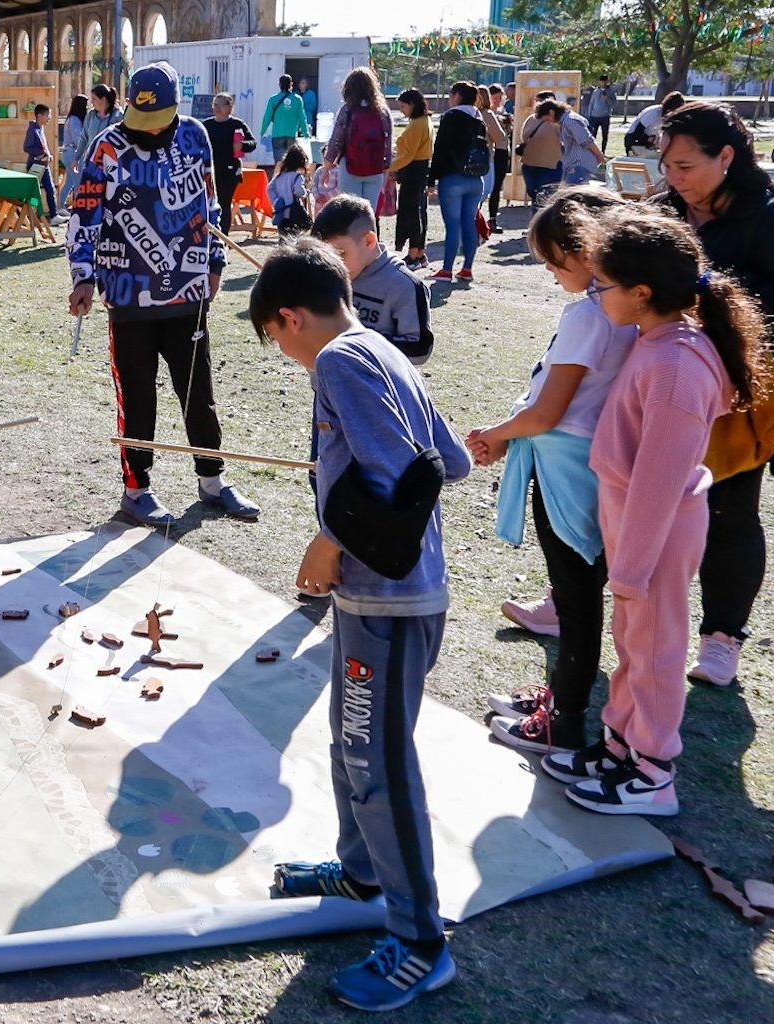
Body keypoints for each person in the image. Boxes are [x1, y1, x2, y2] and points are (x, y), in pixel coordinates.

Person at [249, 237, 469, 1011]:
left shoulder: (340, 362)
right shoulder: (379, 346)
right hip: (384, 597)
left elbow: (394, 472)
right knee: (353, 743)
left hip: (388, 599)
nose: (286, 357)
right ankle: (361, 872)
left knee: (378, 763)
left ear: (289, 317)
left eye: (277, 342)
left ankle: (419, 942)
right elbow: (451, 459)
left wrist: (328, 539)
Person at [541, 206, 768, 816]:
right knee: (634, 644)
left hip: (655, 535)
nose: (596, 293)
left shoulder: (674, 366)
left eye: (604, 284)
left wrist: (631, 569)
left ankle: (652, 770)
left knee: (656, 649)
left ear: (641, 294)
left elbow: (658, 485)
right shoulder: (657, 341)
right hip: (637, 531)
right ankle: (621, 745)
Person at [465, 186, 636, 755]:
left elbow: (548, 411)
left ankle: (563, 721)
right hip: (587, 461)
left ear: (584, 249)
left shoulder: (592, 314)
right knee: (577, 593)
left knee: (575, 599)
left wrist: (495, 434)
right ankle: (559, 696)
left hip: (566, 466)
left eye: (552, 259)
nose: (549, 271)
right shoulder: (626, 309)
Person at [658, 102, 774, 686]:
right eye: (667, 163)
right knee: (630, 494)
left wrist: (722, 298)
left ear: (725, 157)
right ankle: (570, 602)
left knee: (729, 513)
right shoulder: (666, 211)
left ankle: (722, 638)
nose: (673, 176)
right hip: (660, 379)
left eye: (685, 164)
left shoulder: (770, 218)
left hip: (740, 389)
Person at [67, 61, 260, 527]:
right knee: (138, 396)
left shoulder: (195, 137)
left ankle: (211, 479)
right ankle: (137, 490)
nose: (149, 132)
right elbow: (85, 213)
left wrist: (214, 262)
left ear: (177, 108)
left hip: (188, 291)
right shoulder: (106, 147)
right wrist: (82, 276)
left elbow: (210, 205)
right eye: (141, 120)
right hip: (129, 295)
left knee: (198, 392)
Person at [312, 195, 433, 365]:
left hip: (377, 388)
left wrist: (358, 341)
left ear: (369, 241)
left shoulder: (405, 286)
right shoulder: (331, 274)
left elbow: (420, 349)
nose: (332, 264)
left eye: (339, 254)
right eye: (325, 255)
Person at [427, 81, 488, 283]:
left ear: (458, 95)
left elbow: (440, 149)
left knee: (452, 225)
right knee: (469, 223)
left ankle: (446, 269)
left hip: (452, 178)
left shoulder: (451, 117)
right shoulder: (480, 119)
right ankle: (467, 268)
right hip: (476, 179)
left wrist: (431, 179)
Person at [323, 67, 392, 207]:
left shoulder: (347, 110)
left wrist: (326, 168)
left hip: (350, 166)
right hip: (375, 168)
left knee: (351, 212)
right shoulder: (383, 111)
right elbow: (388, 143)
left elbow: (336, 141)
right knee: (369, 214)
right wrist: (386, 169)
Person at [388, 89, 432, 268]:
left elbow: (408, 154)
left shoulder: (416, 124)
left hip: (413, 171)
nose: (402, 110)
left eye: (403, 106)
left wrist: (390, 168)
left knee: (412, 213)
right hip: (421, 170)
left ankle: (413, 254)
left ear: (412, 104)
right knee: (420, 212)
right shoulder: (425, 121)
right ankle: (419, 253)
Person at [203, 92, 257, 236]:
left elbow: (252, 143)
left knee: (223, 204)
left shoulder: (237, 124)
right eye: (215, 104)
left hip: (229, 171)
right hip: (208, 171)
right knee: (207, 204)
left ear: (229, 106)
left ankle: (222, 238)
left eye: (221, 104)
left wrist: (242, 145)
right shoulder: (206, 125)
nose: (217, 107)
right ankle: (209, 236)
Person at [537, 99, 604, 186]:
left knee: (572, 195)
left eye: (547, 119)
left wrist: (599, 155)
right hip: (572, 164)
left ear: (551, 112)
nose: (548, 122)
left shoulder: (570, 121)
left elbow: (587, 140)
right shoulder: (565, 121)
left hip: (580, 164)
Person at [518, 90, 563, 209]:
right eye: (536, 102)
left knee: (546, 198)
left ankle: (542, 224)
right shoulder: (531, 119)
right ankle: (537, 223)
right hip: (530, 164)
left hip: (550, 166)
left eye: (539, 102)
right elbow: (523, 137)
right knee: (534, 195)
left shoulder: (558, 121)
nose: (537, 105)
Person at [71, 84, 123, 176]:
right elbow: (84, 138)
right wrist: (76, 158)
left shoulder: (118, 115)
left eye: (94, 99)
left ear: (103, 99)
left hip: (111, 165)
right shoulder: (90, 115)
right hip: (92, 162)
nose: (92, 102)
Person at [260, 74, 311, 167]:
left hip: (277, 135)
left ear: (279, 84)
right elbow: (302, 118)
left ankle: (279, 180)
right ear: (291, 84)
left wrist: (262, 132)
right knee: (291, 164)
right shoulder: (297, 99)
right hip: (291, 135)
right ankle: (290, 180)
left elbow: (267, 117)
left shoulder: (273, 99)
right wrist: (306, 133)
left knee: (279, 164)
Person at [474, 85, 508, 224]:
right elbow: (499, 136)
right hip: (486, 157)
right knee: (485, 190)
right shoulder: (486, 114)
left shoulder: (466, 113)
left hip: (467, 158)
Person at [24, 104, 63, 223]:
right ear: (39, 116)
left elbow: (43, 146)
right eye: (47, 115)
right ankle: (31, 212)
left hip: (43, 166)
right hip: (35, 166)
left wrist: (47, 155)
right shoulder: (33, 129)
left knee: (50, 189)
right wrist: (41, 154)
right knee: (35, 192)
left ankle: (53, 214)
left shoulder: (40, 128)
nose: (49, 117)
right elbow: (27, 147)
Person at [624, 91, 685, 157]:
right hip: (633, 140)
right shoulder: (653, 113)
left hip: (647, 142)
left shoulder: (666, 118)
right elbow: (638, 132)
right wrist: (648, 140)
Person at [269, 143, 312, 236]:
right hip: (293, 213)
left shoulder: (279, 177)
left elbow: (269, 188)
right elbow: (299, 191)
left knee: (283, 238)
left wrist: (276, 201)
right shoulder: (297, 177)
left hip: (281, 213)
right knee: (301, 233)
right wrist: (305, 193)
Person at [486, 84, 512, 234]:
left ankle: (492, 219)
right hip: (490, 153)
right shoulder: (486, 114)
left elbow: (508, 133)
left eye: (499, 97)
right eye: (494, 97)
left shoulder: (505, 113)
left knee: (497, 187)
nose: (497, 100)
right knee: (485, 187)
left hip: (502, 152)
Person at [58, 94, 88, 210]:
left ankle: (60, 207)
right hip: (73, 153)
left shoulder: (71, 118)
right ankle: (79, 208)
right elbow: (78, 138)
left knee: (69, 182)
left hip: (67, 153)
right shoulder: (75, 119)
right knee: (79, 183)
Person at [584, 75, 617, 149]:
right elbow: (591, 103)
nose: (603, 83)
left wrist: (607, 99)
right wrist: (589, 115)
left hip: (605, 116)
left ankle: (603, 151)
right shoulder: (595, 91)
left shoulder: (611, 92)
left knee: (604, 135)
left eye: (605, 81)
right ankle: (592, 151)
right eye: (601, 81)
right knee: (592, 135)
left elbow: (614, 104)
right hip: (594, 117)